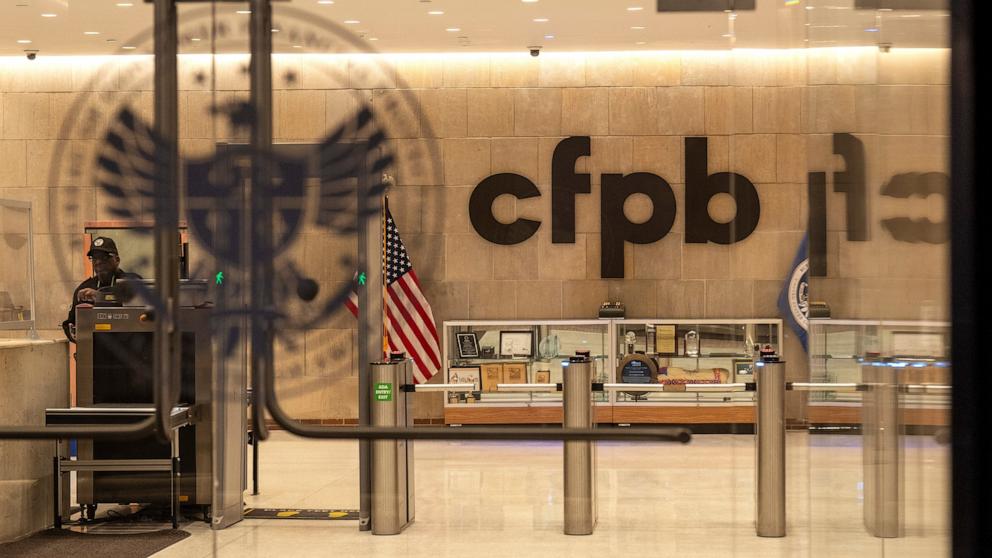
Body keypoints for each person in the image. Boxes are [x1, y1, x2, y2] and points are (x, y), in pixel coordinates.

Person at [61, 237, 142, 342]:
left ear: (117, 260)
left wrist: (100, 298)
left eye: (104, 257)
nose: (98, 262)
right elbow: (69, 324)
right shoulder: (84, 289)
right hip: (96, 354)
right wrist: (77, 335)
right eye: (94, 258)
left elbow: (139, 315)